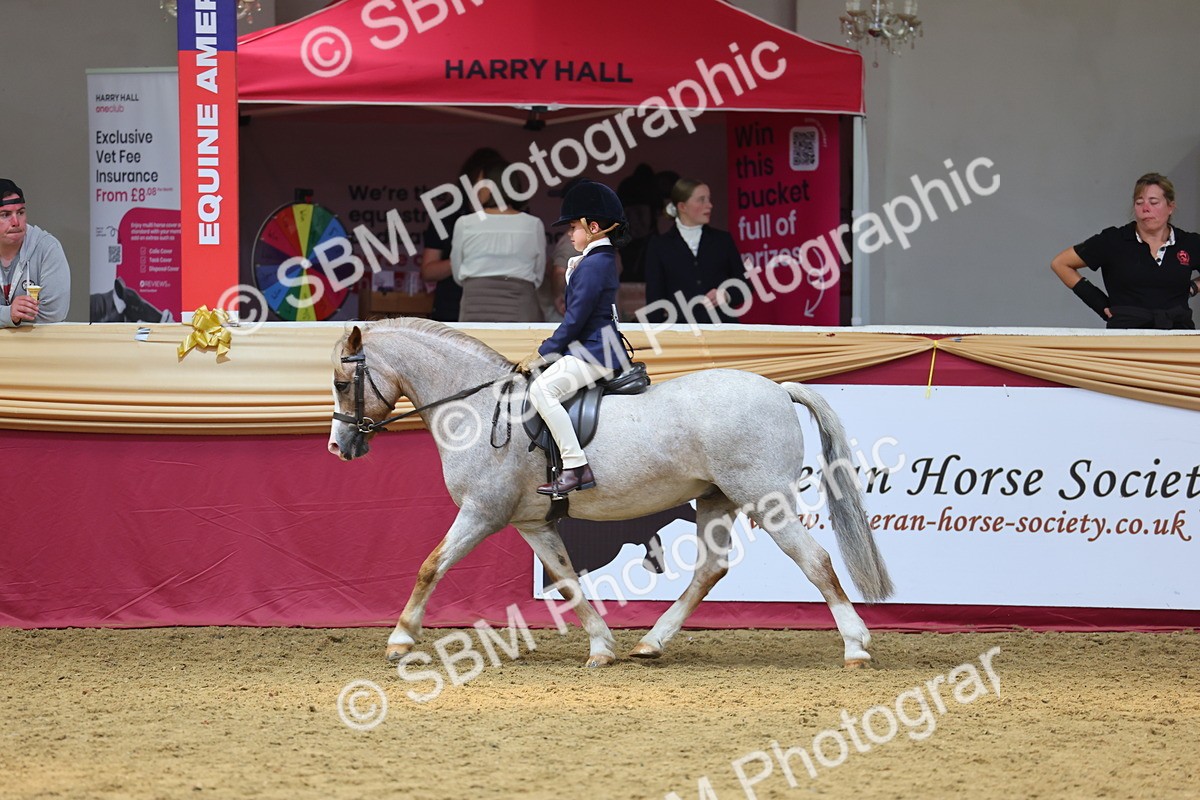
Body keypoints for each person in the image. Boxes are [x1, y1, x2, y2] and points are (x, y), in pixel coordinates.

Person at [517, 180, 629, 495]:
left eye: (573, 227)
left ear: (593, 227)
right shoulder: (594, 260)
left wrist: (543, 353)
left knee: (542, 391)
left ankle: (575, 465)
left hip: (595, 351)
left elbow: (575, 321)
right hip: (595, 347)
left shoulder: (594, 264)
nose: (569, 233)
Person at [1052, 172, 1200, 329]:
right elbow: (1061, 263)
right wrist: (1100, 304)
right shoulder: (1113, 240)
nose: (1145, 209)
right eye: (1139, 202)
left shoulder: (1189, 242)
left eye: (1154, 202)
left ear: (1170, 207)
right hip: (1126, 334)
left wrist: (1194, 287)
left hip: (1178, 336)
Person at [450, 160, 545, 322]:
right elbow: (538, 276)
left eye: (480, 183)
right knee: (519, 347)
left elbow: (457, 272)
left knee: (472, 347)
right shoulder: (533, 224)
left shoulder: (465, 223)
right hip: (520, 303)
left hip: (474, 304)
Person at [643, 177, 745, 324]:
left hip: (723, 330)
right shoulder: (659, 246)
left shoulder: (723, 240)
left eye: (709, 199)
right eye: (701, 200)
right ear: (682, 206)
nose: (709, 205)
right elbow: (654, 299)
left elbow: (744, 284)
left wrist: (727, 294)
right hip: (682, 335)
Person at [420, 147, 505, 322]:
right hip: (453, 311)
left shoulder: (512, 216)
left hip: (499, 309)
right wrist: (464, 257)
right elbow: (428, 271)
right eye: (482, 182)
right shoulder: (448, 215)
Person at [0, 179, 70, 327]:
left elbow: (54, 314)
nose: (16, 222)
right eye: (5, 214)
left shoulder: (47, 248)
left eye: (20, 212)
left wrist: (13, 317)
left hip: (38, 347)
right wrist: (8, 314)